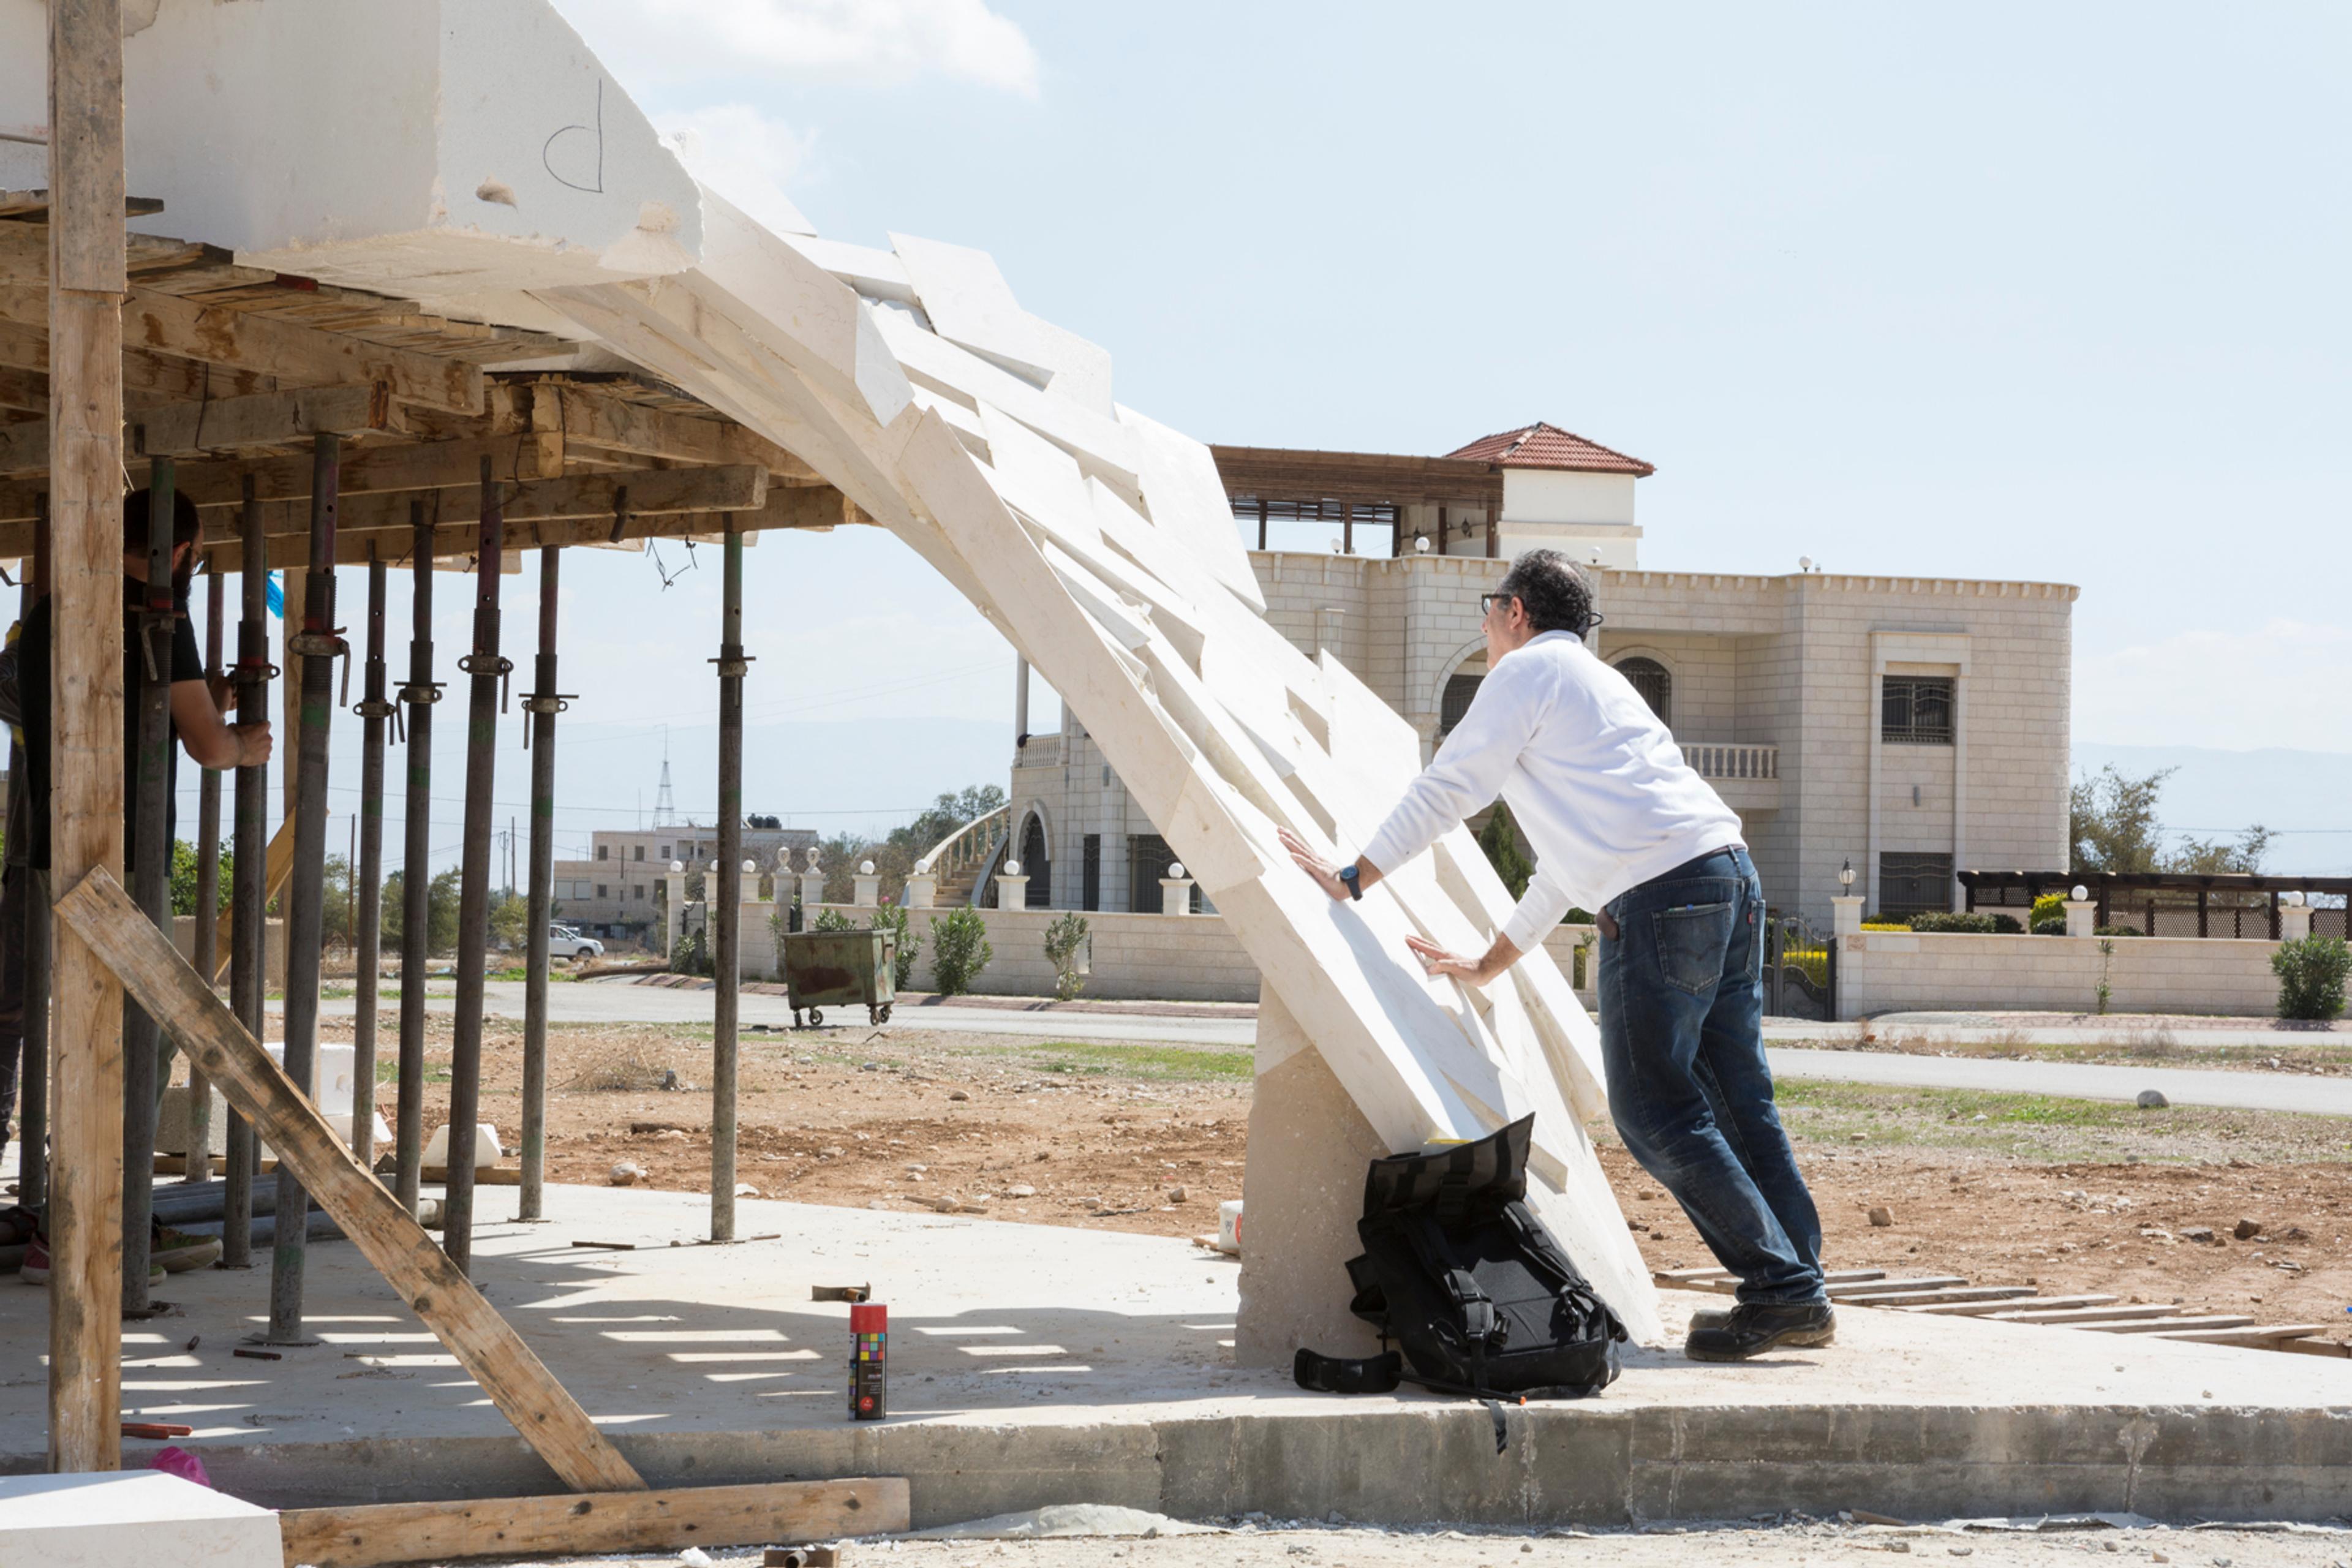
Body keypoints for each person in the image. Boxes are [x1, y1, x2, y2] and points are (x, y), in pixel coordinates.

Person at [1278, 547, 1830, 1362]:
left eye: (1487, 605)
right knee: (1740, 1099)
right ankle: (1801, 1285)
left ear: (1517, 613)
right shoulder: (1594, 687)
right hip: (1725, 878)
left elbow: (1449, 786)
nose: (1483, 621)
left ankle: (1780, 1289)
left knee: (1653, 1111)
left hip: (1664, 898)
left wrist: (1353, 875)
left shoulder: (1525, 675)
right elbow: (1565, 871)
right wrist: (1487, 962)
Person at [12, 486, 272, 1284]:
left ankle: (79, 1219)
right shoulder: (160, 611)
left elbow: (128, 703)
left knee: (79, 1040)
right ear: (183, 554)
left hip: (55, 851)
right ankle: (99, 1226)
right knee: (138, 1041)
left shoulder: (58, 609)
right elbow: (206, 745)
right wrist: (247, 743)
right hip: (125, 858)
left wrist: (202, 695)